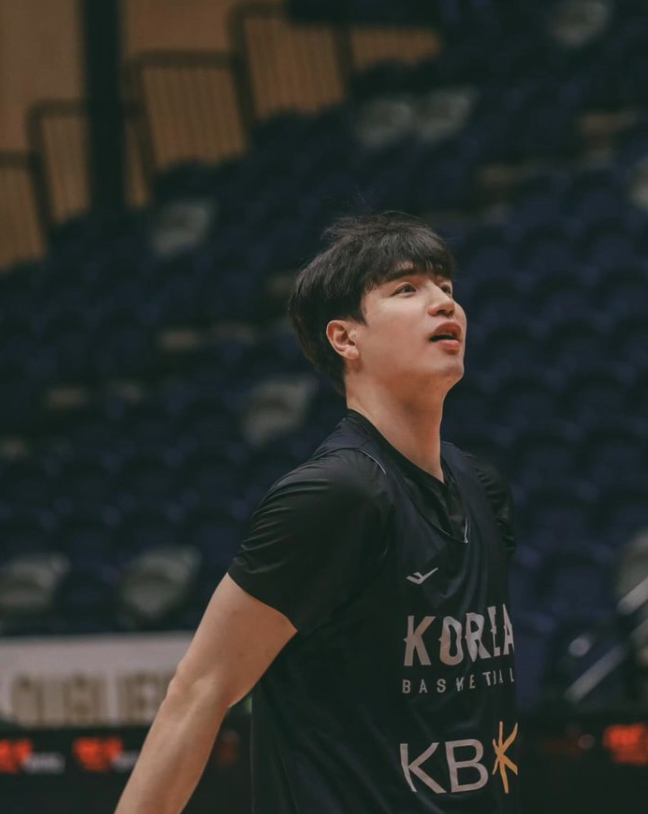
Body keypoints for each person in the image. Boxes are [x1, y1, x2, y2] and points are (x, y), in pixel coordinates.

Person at [114, 211, 519, 814]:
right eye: (407, 289)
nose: (444, 303)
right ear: (345, 339)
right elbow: (200, 690)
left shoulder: (482, 487)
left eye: (446, 287)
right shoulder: (336, 495)